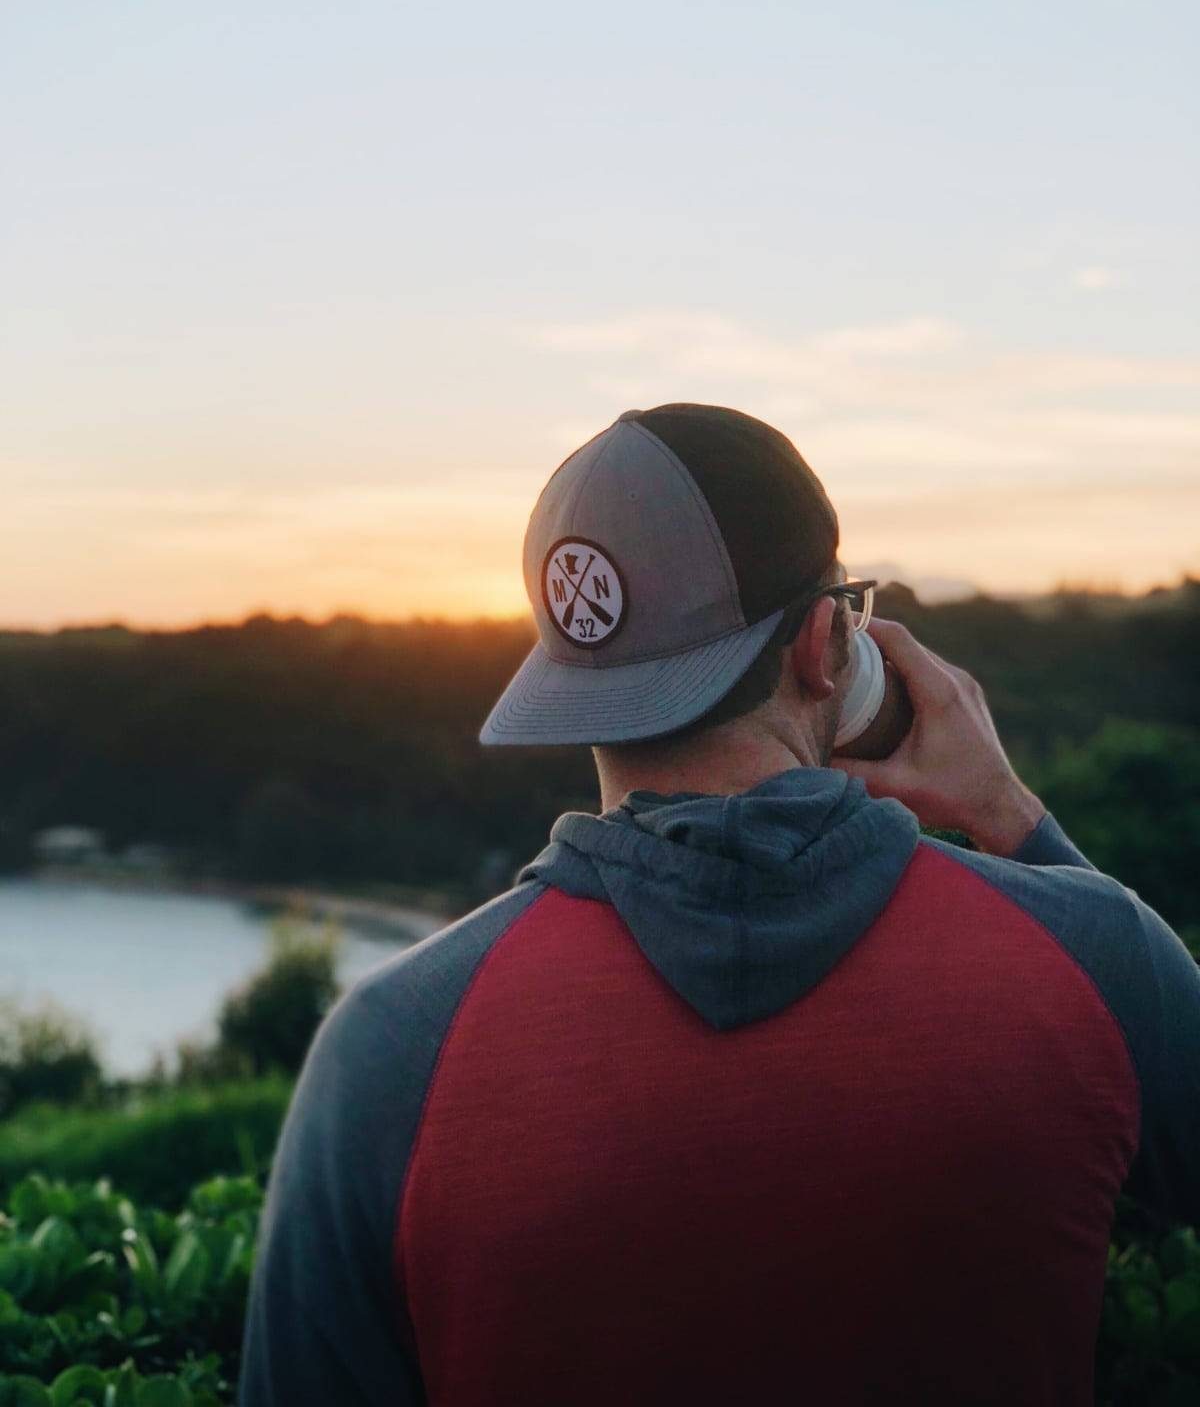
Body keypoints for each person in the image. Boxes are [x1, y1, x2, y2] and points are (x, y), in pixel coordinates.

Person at [238, 402, 1200, 1407]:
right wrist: (1009, 814)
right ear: (826, 644)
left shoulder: (391, 1050)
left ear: (571, 681)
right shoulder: (1090, 958)